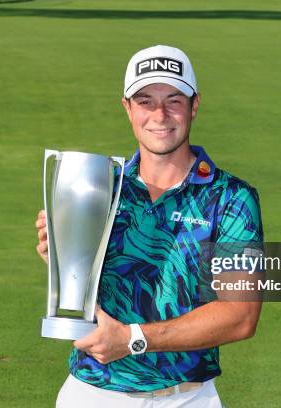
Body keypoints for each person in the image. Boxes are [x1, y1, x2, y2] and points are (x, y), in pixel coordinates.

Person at [35, 45, 264, 407]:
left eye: (174, 100)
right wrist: (63, 258)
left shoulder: (231, 198)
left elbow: (240, 315)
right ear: (127, 107)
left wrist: (133, 338)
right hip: (92, 394)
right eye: (145, 101)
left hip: (187, 399)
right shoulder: (98, 189)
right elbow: (84, 290)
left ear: (195, 105)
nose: (160, 114)